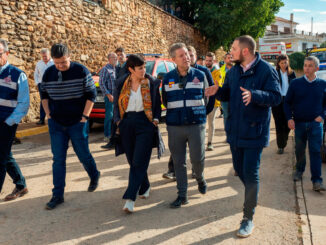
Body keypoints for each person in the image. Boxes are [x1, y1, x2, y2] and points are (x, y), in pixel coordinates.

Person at [206, 35, 281, 237]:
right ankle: (252, 196)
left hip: (255, 132)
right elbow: (228, 93)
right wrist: (217, 92)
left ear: (245, 51)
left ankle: (248, 217)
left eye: (233, 48)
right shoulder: (234, 71)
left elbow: (276, 97)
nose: (230, 51)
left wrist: (254, 94)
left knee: (251, 173)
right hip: (235, 131)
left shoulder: (266, 70)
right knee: (240, 170)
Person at [41, 43, 101, 210]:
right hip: (57, 124)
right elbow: (43, 95)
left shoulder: (81, 71)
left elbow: (92, 94)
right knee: (58, 160)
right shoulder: (48, 73)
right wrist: (48, 115)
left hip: (77, 123)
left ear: (69, 57)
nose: (60, 66)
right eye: (57, 63)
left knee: (83, 155)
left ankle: (94, 175)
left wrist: (84, 117)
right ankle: (57, 195)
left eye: (64, 62)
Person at [162, 43, 209, 208]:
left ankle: (200, 177)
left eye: (187, 55)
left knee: (197, 159)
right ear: (174, 59)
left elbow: (207, 100)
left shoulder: (200, 75)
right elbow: (165, 100)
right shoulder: (167, 78)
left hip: (196, 125)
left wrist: (199, 114)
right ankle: (182, 195)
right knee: (178, 162)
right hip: (175, 126)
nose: (186, 58)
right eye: (181, 56)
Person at [113, 54, 162, 213]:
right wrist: (118, 121)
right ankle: (145, 185)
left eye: (144, 66)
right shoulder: (121, 83)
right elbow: (116, 104)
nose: (143, 70)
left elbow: (157, 104)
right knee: (133, 160)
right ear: (131, 69)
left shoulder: (151, 82)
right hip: (126, 123)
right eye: (140, 68)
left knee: (139, 160)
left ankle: (130, 199)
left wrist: (155, 119)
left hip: (145, 123)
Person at [284, 56, 326, 191]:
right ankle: (299, 170)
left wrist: (322, 116)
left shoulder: (323, 84)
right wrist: (289, 118)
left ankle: (317, 181)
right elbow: (287, 102)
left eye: (310, 65)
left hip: (315, 124)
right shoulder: (295, 83)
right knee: (299, 150)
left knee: (315, 152)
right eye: (305, 65)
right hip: (299, 124)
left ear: (316, 68)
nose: (306, 68)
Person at [0, 38, 29, 201]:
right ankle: (20, 184)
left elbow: (24, 103)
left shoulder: (18, 75)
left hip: (6, 123)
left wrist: (9, 122)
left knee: (0, 158)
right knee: (5, 155)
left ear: (7, 53)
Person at [272, 54, 296, 154]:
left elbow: (295, 87)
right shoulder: (275, 73)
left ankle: (284, 138)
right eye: (282, 63)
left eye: (285, 62)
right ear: (278, 63)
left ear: (288, 62)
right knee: (278, 123)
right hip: (277, 100)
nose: (284, 64)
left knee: (288, 123)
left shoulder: (291, 73)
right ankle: (280, 146)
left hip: (288, 100)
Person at [99, 52, 117, 148]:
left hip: (116, 96)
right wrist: (108, 95)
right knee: (109, 116)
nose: (116, 59)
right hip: (110, 96)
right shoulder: (105, 69)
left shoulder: (116, 69)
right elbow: (101, 83)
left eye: (116, 57)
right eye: (114, 58)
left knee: (115, 116)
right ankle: (107, 135)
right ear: (109, 59)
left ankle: (115, 134)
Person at [205, 52, 222, 151]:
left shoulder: (217, 72)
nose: (208, 62)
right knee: (202, 124)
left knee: (211, 122)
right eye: (206, 60)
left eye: (210, 61)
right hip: (203, 101)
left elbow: (217, 86)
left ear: (214, 61)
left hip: (214, 102)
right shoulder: (201, 70)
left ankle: (210, 143)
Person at [34, 48, 54, 125]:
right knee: (43, 101)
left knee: (52, 101)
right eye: (43, 56)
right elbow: (36, 74)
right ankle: (42, 119)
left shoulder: (54, 63)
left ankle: (52, 119)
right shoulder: (39, 63)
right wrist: (37, 83)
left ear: (49, 55)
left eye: (45, 56)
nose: (44, 58)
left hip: (52, 85)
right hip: (41, 85)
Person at [219, 53, 233, 128]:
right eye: (228, 58)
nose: (230, 59)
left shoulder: (238, 69)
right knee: (226, 115)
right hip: (225, 97)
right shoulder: (220, 70)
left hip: (235, 95)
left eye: (231, 57)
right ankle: (228, 133)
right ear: (224, 59)